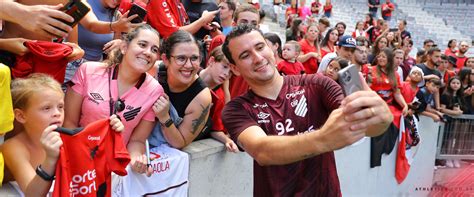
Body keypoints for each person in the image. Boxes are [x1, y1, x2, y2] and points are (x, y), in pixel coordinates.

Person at [221, 24, 392, 196]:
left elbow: (366, 126)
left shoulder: (318, 84)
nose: (258, 58)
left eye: (260, 47)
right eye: (245, 55)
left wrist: (381, 117)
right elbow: (262, 151)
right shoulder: (236, 110)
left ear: (272, 48)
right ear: (235, 68)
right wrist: (324, 138)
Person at [1, 74, 124, 195]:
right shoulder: (13, 147)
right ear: (21, 116)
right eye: (46, 108)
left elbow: (94, 171)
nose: (57, 113)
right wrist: (50, 159)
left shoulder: (69, 139)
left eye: (60, 107)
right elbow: (33, 194)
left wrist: (112, 135)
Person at [64, 24, 162, 176]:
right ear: (124, 47)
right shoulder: (88, 71)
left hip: (114, 169)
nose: (148, 52)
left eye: (154, 50)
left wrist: (136, 160)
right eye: (142, 45)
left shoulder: (155, 90)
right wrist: (80, 159)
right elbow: (69, 123)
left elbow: (137, 141)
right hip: (79, 160)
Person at [152, 30, 212, 149]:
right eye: (181, 58)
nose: (189, 65)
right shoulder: (154, 71)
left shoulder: (201, 97)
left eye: (194, 58)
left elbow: (180, 142)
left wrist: (164, 117)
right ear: (165, 59)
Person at [198, 46, 238, 152]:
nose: (226, 74)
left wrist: (227, 140)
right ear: (211, 61)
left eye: (230, 72)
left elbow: (215, 129)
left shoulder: (219, 97)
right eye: (224, 67)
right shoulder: (189, 73)